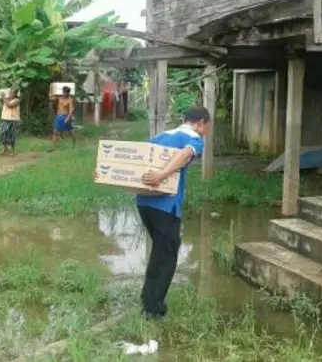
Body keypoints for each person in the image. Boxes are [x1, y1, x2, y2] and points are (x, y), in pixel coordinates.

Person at [94, 106, 210, 319]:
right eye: (206, 127)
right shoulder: (194, 139)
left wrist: (105, 173)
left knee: (159, 252)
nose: (205, 131)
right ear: (201, 122)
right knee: (166, 256)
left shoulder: (160, 136)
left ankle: (148, 299)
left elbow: (134, 164)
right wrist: (162, 174)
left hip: (145, 205)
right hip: (166, 207)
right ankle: (153, 309)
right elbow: (185, 155)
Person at [51, 86, 75, 151]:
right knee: (55, 131)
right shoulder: (58, 98)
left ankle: (74, 143)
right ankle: (53, 148)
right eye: (63, 92)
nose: (63, 94)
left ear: (68, 93)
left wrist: (68, 118)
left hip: (65, 116)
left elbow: (71, 110)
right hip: (58, 116)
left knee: (70, 131)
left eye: (65, 93)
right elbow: (51, 98)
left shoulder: (70, 99)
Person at [0, 89, 20, 155]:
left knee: (12, 134)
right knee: (3, 134)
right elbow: (3, 105)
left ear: (15, 94)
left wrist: (3, 97)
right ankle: (5, 149)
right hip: (5, 118)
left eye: (12, 93)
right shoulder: (7, 99)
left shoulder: (17, 100)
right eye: (10, 93)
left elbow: (9, 105)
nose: (10, 94)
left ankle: (13, 151)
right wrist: (2, 99)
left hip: (13, 119)